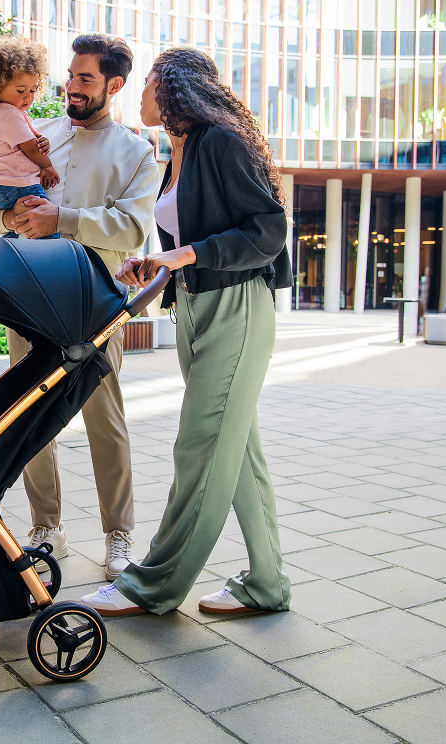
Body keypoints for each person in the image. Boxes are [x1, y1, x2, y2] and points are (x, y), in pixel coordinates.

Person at [81, 47, 293, 617]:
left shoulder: (219, 140)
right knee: (238, 452)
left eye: (148, 82)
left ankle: (151, 585)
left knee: (198, 448)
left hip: (237, 309)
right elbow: (189, 240)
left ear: (172, 86)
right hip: (197, 309)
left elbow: (269, 230)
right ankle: (268, 584)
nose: (141, 93)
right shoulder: (178, 150)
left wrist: (187, 255)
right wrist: (157, 263)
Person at [0, 34, 159, 579]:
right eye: (70, 76)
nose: (70, 88)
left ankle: (118, 535)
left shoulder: (137, 153)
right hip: (29, 297)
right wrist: (6, 221)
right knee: (27, 416)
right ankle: (44, 527)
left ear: (114, 85)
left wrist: (64, 219)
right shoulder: (34, 132)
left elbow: (132, 229)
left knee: (106, 418)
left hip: (95, 302)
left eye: (85, 79)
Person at [0, 36, 60, 239]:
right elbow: (30, 149)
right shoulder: (7, 114)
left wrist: (41, 139)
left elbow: (29, 138)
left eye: (32, 90)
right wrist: (47, 167)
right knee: (47, 229)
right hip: (18, 186)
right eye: (20, 90)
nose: (27, 97)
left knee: (19, 230)